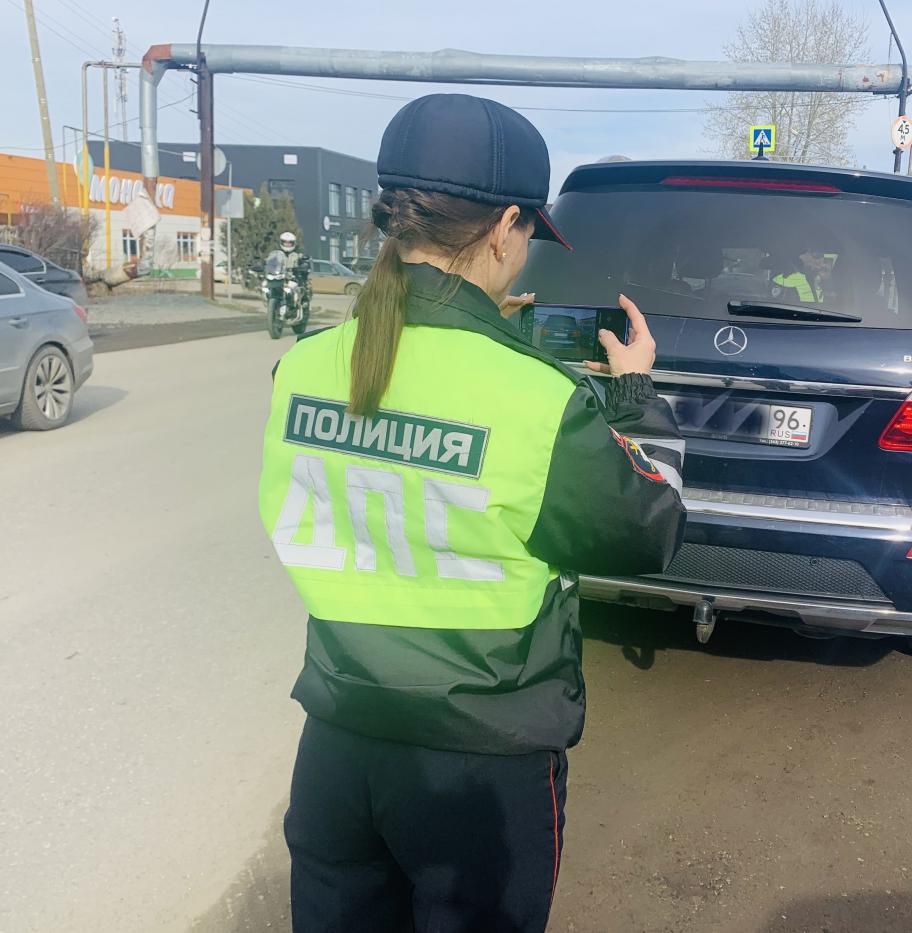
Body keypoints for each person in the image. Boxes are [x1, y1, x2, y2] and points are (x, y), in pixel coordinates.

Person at [258, 93, 687, 933]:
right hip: (478, 775)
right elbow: (650, 528)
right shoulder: (537, 399)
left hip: (339, 753)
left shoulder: (302, 368)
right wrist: (634, 397)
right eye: (527, 236)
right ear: (503, 229)